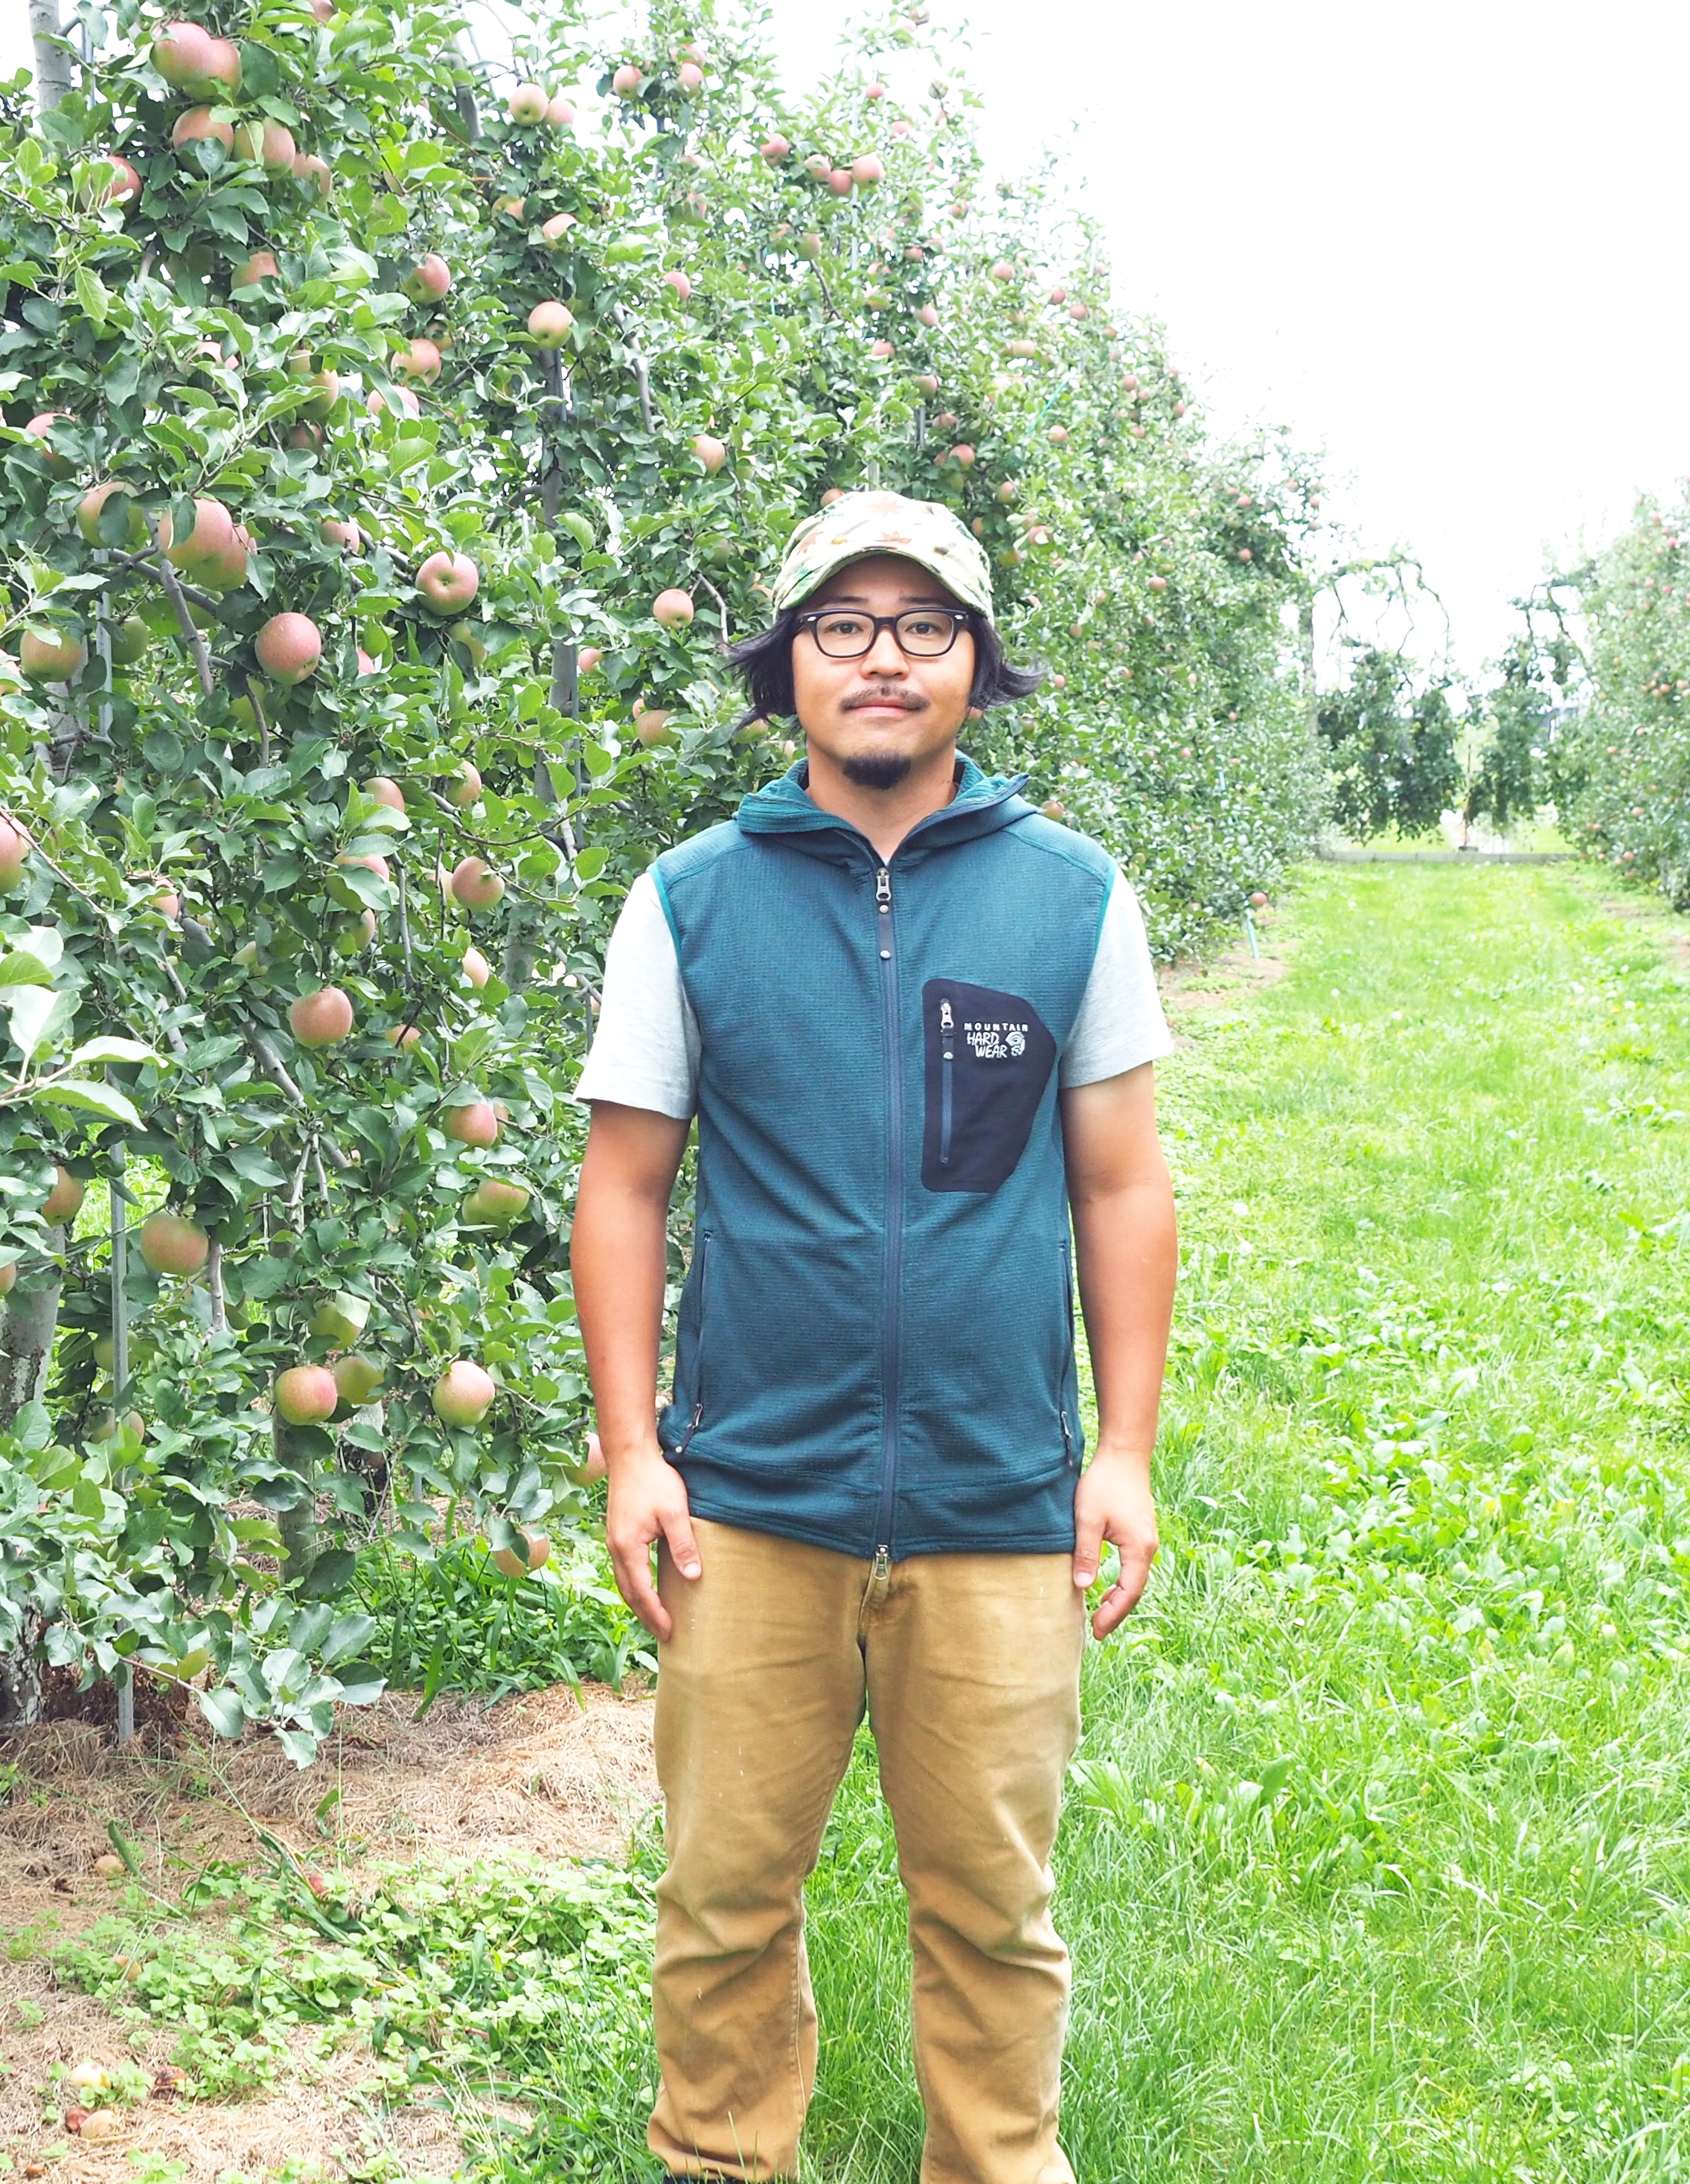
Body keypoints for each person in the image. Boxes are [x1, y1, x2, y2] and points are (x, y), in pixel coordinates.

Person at [569, 492, 1177, 2184]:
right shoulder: (690, 902)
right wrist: (634, 1452)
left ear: (977, 662)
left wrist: (1122, 1452)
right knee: (721, 1900)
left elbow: (1120, 1181)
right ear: (786, 668)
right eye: (842, 627)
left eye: (923, 625)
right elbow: (623, 1185)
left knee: (991, 1908)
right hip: (752, 1497)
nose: (883, 659)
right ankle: (720, 2161)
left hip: (992, 1493)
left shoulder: (1070, 898)